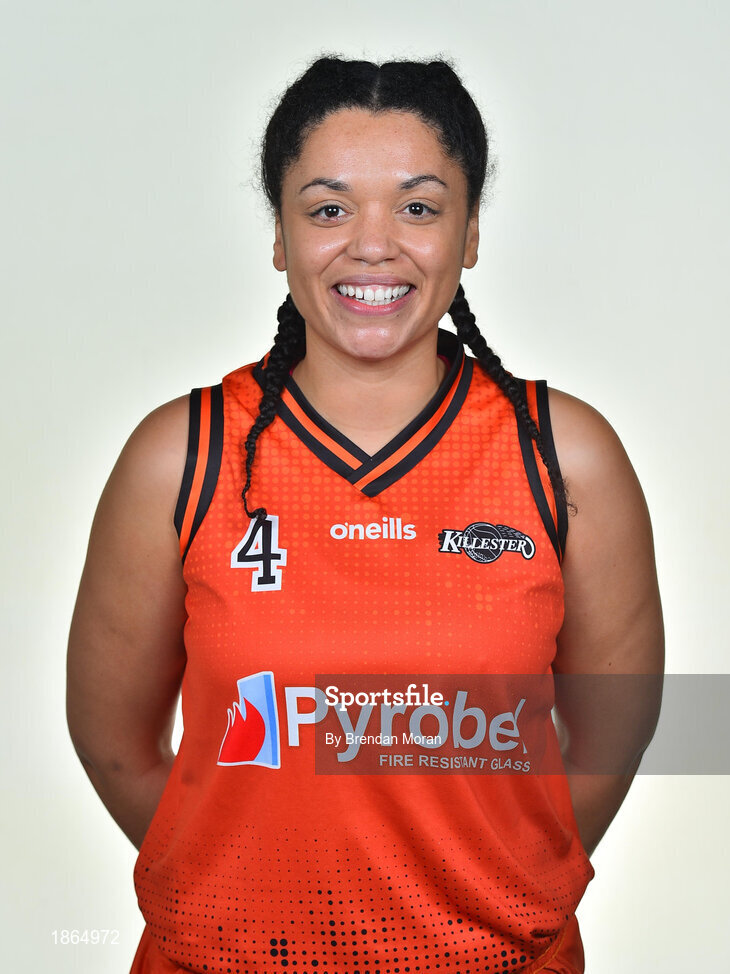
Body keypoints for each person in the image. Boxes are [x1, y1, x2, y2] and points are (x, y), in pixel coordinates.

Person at [66, 56, 664, 974]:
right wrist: (240, 882)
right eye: (328, 209)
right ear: (280, 236)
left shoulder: (564, 456)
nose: (373, 245)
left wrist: (490, 893)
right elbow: (115, 744)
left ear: (470, 234)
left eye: (419, 207)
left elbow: (610, 738)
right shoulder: (179, 457)